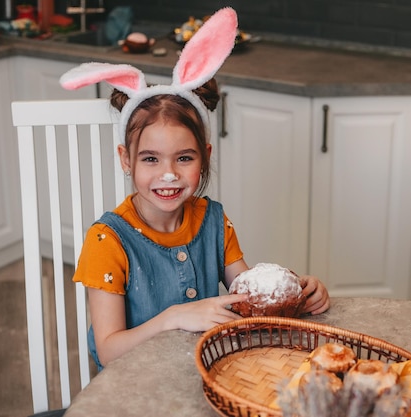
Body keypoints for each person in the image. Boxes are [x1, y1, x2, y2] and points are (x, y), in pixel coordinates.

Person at [60, 7, 330, 369]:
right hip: (135, 388)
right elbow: (108, 350)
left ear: (205, 157)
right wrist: (175, 317)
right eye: (151, 159)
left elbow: (247, 299)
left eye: (184, 159)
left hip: (206, 373)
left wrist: (300, 291)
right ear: (126, 160)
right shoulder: (106, 241)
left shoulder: (214, 222)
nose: (168, 175)